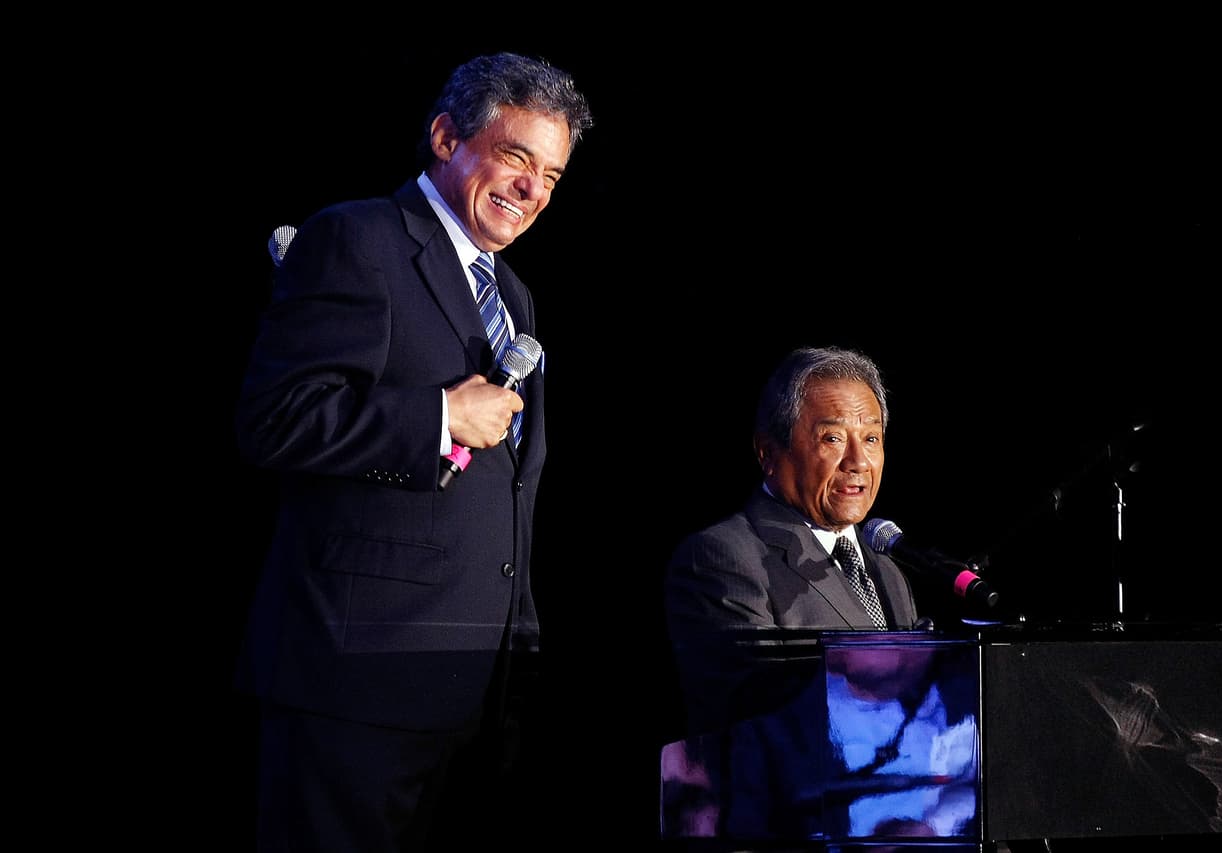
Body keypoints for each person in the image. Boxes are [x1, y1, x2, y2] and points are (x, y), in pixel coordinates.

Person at [234, 52, 592, 851]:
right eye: (515, 158)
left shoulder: (512, 294)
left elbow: (506, 497)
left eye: (553, 176)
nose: (532, 191)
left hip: (469, 696)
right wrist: (436, 416)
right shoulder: (356, 238)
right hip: (354, 683)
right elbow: (273, 419)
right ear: (444, 137)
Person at [663, 345, 931, 842]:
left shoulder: (889, 571)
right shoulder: (722, 557)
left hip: (894, 820)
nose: (858, 461)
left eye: (871, 438)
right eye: (833, 438)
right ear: (768, 451)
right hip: (790, 831)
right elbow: (748, 721)